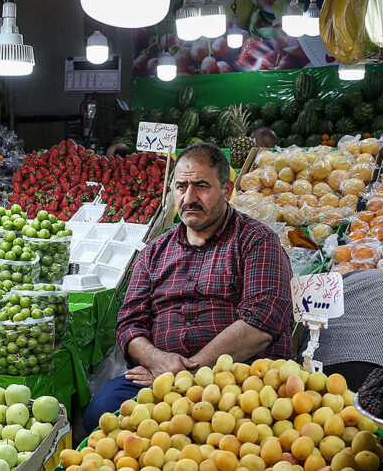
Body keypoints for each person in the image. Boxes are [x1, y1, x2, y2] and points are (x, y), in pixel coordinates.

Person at [82, 143, 294, 433]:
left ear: (227, 190)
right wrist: (158, 361)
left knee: (235, 433)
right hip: (160, 376)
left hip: (237, 379)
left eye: (202, 186)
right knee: (101, 410)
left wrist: (190, 369)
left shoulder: (257, 241)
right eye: (181, 187)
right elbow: (129, 325)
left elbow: (261, 322)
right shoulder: (153, 252)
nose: (190, 197)